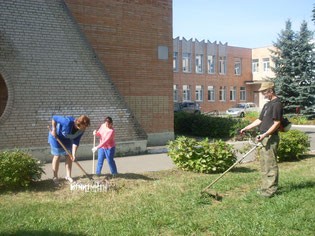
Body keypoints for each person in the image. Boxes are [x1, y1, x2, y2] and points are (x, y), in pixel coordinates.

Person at [240, 82, 283, 198]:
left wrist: (265, 135)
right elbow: (259, 120)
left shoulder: (277, 104)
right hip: (263, 137)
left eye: (265, 92)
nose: (263, 94)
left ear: (271, 91)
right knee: (264, 164)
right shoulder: (267, 105)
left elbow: (277, 123)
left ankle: (270, 191)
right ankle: (265, 188)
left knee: (271, 164)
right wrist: (246, 127)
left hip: (270, 138)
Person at [48, 115, 90, 184]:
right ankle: (55, 177)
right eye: (84, 126)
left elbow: (76, 142)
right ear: (79, 123)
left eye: (86, 126)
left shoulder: (82, 130)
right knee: (57, 155)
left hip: (67, 139)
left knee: (69, 156)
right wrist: (54, 130)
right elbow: (54, 118)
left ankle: (68, 176)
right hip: (56, 137)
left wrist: (73, 154)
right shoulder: (67, 122)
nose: (85, 128)